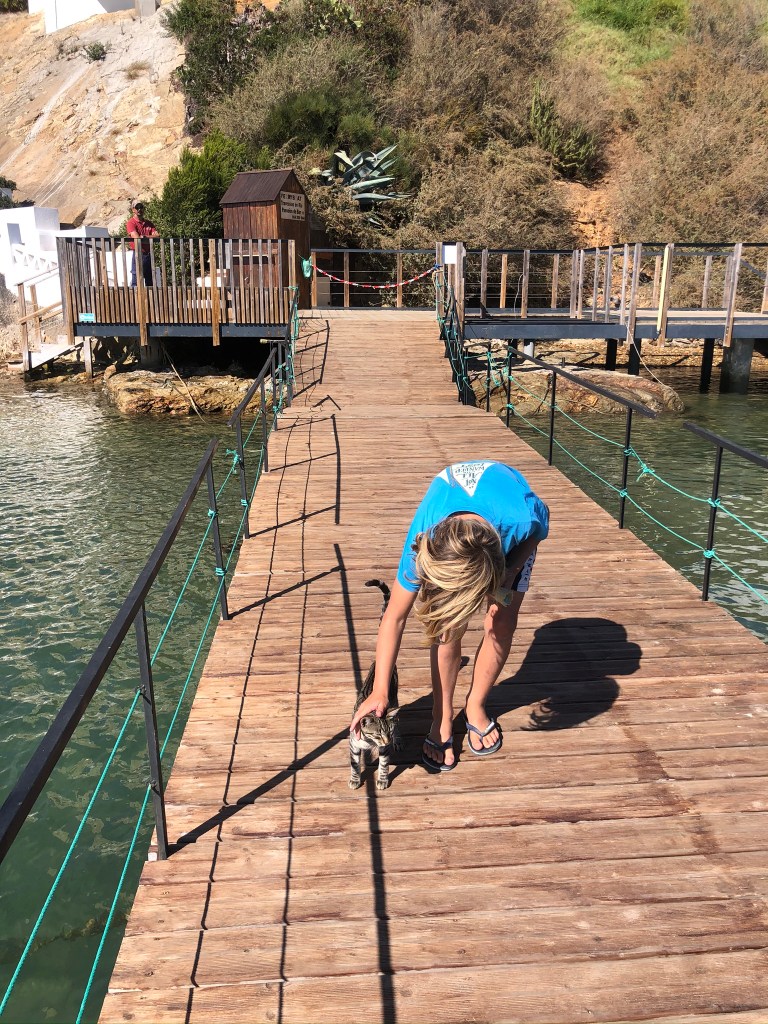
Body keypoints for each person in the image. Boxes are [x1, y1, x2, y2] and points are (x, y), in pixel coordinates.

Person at [350, 461, 549, 771]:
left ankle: (476, 705)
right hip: (451, 509)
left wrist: (510, 570)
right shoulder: (422, 545)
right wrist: (379, 690)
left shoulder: (522, 519)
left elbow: (540, 528)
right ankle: (441, 717)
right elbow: (394, 618)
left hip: (504, 529)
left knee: (502, 620)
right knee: (447, 628)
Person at [126, 200, 159, 286]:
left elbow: (157, 236)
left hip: (148, 255)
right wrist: (149, 236)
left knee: (150, 281)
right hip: (138, 254)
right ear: (133, 209)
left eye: (141, 207)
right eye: (137, 207)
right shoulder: (131, 223)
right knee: (136, 281)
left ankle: (150, 295)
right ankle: (135, 295)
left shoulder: (149, 223)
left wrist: (144, 237)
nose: (139, 209)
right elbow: (136, 237)